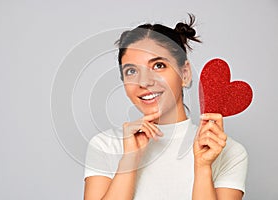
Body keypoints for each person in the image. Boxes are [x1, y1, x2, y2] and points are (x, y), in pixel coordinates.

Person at [83, 14, 248, 199]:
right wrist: (129, 160)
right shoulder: (105, 145)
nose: (144, 81)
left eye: (158, 65)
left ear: (185, 74)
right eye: (131, 71)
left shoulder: (228, 151)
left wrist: (202, 168)